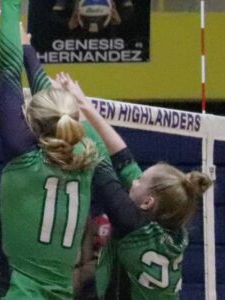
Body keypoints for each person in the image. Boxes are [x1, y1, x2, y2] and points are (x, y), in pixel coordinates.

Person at [0, 0, 112, 298]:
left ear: (31, 120)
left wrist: (12, 14)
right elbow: (54, 108)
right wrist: (27, 50)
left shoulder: (22, 152)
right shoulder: (88, 155)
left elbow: (9, 73)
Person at [58, 72, 213, 299]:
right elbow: (124, 157)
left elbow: (98, 158)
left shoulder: (131, 223)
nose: (135, 179)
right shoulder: (171, 224)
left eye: (140, 180)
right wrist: (85, 105)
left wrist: (70, 109)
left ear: (148, 202)